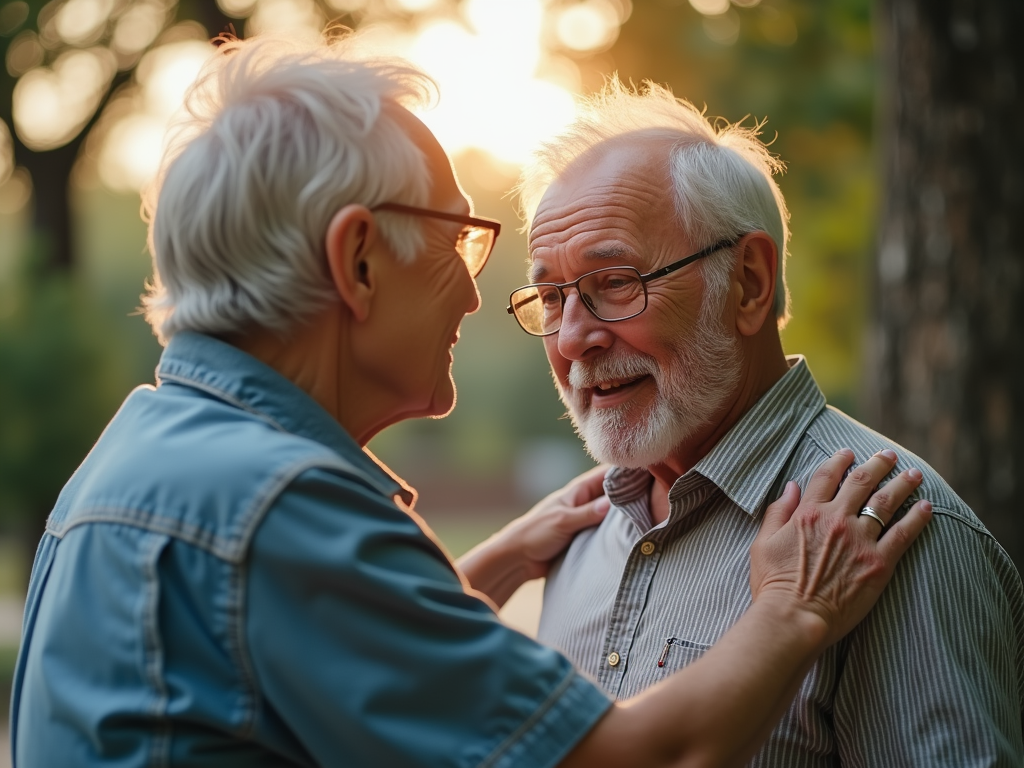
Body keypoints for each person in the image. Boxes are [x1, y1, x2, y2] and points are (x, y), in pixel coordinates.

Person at [10, 37, 931, 768]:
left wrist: (479, 573)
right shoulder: (278, 513)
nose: (471, 293)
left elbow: (302, 664)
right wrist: (791, 610)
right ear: (358, 259)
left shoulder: (146, 456)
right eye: (458, 239)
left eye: (610, 283)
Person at [508, 78, 1024, 765]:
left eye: (616, 282)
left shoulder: (886, 528)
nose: (573, 338)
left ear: (749, 282)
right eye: (550, 296)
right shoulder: (575, 533)